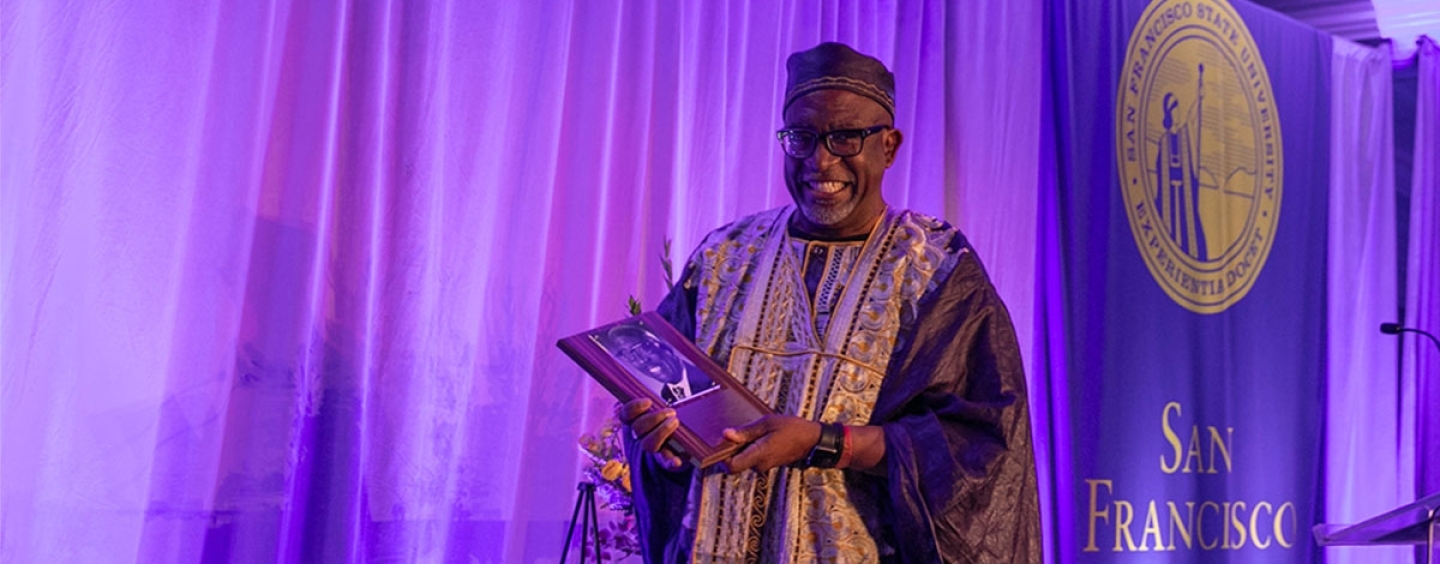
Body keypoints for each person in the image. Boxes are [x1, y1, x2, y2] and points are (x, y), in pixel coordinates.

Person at [617, 42, 1041, 563]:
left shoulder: (934, 268)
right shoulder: (724, 257)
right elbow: (673, 418)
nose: (821, 160)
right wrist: (661, 444)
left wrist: (822, 442)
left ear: (889, 146)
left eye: (845, 137)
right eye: (803, 138)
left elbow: (979, 445)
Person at [604, 323, 715, 404]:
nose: (642, 361)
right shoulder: (665, 396)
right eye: (630, 357)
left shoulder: (708, 377)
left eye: (641, 348)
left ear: (664, 346)